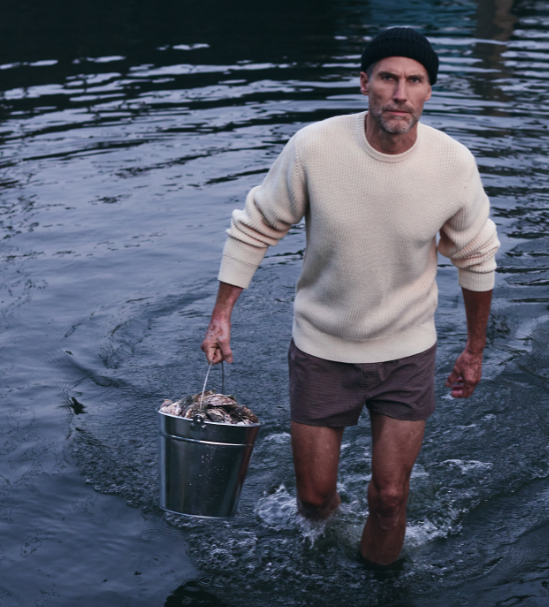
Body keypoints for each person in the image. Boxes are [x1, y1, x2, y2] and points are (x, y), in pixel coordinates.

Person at [201, 27, 500, 566]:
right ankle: (326, 563)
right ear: (364, 83)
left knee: (389, 498)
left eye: (414, 81)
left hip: (407, 352)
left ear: (429, 91)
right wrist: (221, 316)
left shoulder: (453, 164)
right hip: (322, 349)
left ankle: (379, 591)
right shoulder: (314, 147)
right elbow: (254, 228)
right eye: (388, 78)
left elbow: (477, 257)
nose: (400, 93)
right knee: (314, 501)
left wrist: (474, 351)